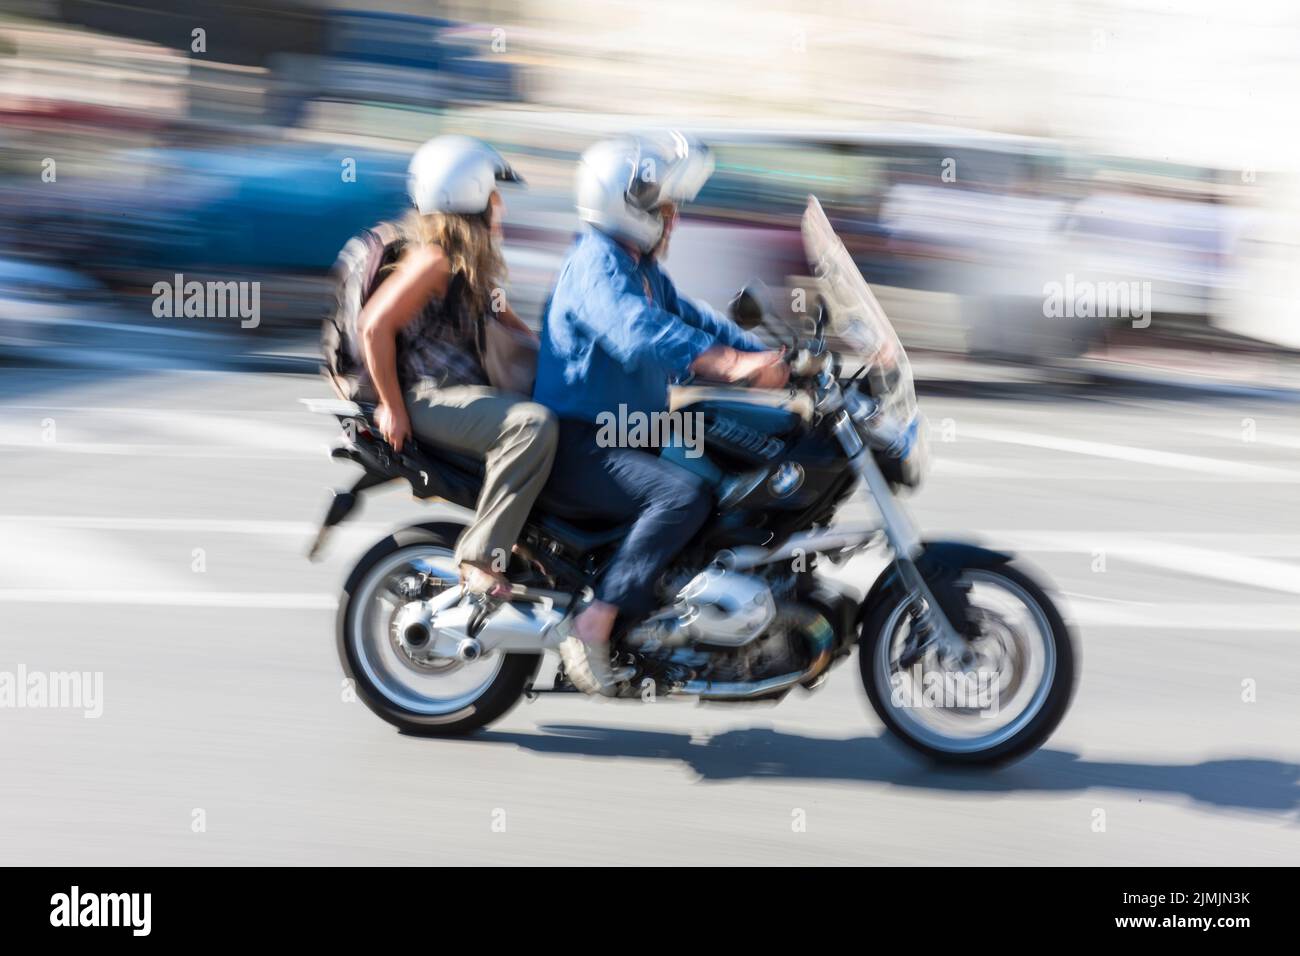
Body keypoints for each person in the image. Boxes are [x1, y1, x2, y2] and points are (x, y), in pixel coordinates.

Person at [533, 132, 789, 694]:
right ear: (629, 203)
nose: (673, 221)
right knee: (681, 496)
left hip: (627, 433)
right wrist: (730, 365)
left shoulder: (641, 268)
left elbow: (694, 321)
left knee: (726, 470)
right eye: (665, 208)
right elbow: (637, 331)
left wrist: (776, 357)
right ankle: (594, 622)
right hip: (583, 443)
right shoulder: (596, 263)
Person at [359, 135, 557, 598]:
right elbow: (374, 327)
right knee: (532, 426)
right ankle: (480, 559)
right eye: (494, 195)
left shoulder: (474, 268)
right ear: (469, 195)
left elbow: (519, 331)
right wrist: (392, 406)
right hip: (428, 397)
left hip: (462, 396)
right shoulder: (433, 259)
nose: (500, 206)